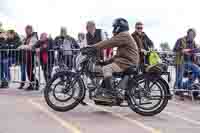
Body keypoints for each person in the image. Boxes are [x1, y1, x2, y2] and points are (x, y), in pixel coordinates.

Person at [91, 18, 139, 102]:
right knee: (106, 66)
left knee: (107, 68)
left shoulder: (124, 35)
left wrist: (93, 47)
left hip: (127, 62)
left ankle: (110, 94)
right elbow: (117, 56)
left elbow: (109, 42)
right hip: (126, 60)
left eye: (115, 27)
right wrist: (105, 62)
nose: (114, 29)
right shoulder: (124, 35)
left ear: (119, 27)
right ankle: (104, 93)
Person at [173, 28, 200, 97]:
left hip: (189, 62)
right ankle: (178, 89)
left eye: (193, 35)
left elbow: (195, 51)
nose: (192, 36)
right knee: (179, 76)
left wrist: (195, 53)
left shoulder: (193, 42)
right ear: (188, 34)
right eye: (190, 34)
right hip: (180, 61)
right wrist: (183, 50)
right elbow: (175, 49)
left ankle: (186, 85)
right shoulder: (180, 40)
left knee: (198, 70)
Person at [18, 25, 39, 91]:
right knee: (29, 71)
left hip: (31, 56)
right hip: (26, 57)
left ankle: (35, 84)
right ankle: (32, 84)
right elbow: (24, 44)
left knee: (30, 71)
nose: (26, 31)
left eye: (27, 30)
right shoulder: (27, 37)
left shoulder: (34, 37)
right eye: (25, 30)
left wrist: (22, 46)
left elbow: (31, 46)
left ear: (31, 30)